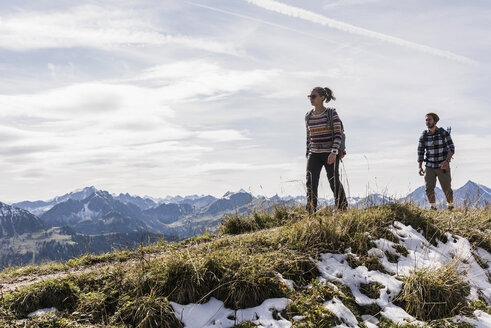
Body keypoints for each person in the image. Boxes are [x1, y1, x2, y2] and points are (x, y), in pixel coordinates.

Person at [305, 86, 348, 213]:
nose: (310, 99)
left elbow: (338, 134)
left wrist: (334, 152)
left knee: (333, 181)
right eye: (309, 96)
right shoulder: (308, 116)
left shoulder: (331, 113)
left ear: (322, 97)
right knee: (310, 182)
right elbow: (309, 136)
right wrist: (308, 152)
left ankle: (342, 208)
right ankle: (311, 212)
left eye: (313, 96)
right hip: (314, 154)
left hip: (330, 153)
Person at [417, 112, 455, 210]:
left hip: (442, 166)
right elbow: (420, 151)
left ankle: (450, 207)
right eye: (426, 120)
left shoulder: (443, 133)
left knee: (447, 189)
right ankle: (433, 208)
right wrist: (420, 166)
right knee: (428, 188)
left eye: (429, 120)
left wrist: (447, 161)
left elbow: (451, 148)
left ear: (435, 121)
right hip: (429, 166)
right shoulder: (424, 136)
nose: (427, 122)